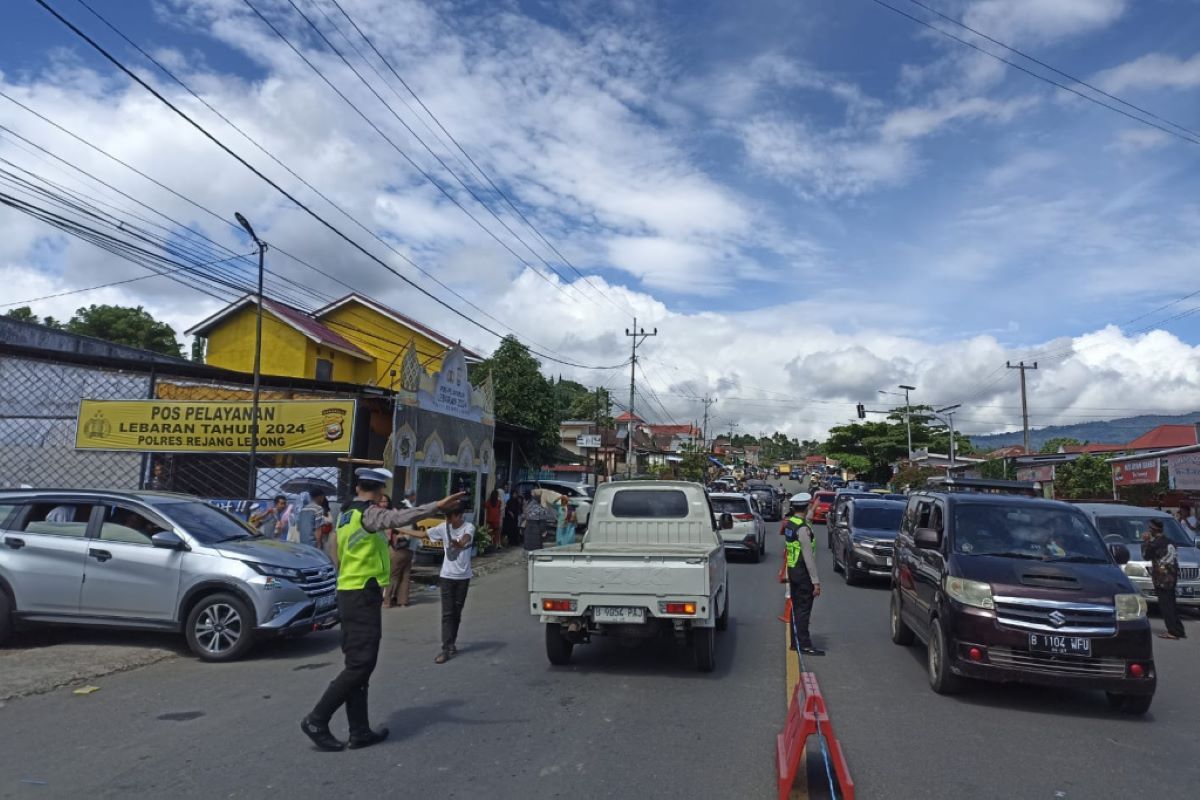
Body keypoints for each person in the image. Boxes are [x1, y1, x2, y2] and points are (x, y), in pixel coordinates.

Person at [300, 468, 464, 752]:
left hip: (350, 590)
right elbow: (398, 518)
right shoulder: (368, 514)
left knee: (359, 662)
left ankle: (359, 730)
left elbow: (335, 550)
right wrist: (437, 506)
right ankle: (317, 718)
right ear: (377, 491)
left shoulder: (346, 512)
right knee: (360, 664)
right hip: (361, 593)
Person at [427, 506, 475, 664]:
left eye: (450, 517)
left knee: (457, 611)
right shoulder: (443, 527)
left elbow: (466, 538)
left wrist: (459, 542)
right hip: (447, 576)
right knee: (447, 613)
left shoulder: (469, 527)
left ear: (459, 515)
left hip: (463, 577)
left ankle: (451, 642)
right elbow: (424, 534)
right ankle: (446, 648)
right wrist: (403, 530)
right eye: (446, 517)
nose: (448, 520)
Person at [782, 495, 824, 656]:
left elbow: (806, 519)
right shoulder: (803, 529)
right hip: (803, 573)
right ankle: (805, 644)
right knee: (803, 610)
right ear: (805, 507)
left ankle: (795, 642)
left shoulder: (792, 524)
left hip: (793, 571)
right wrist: (816, 582)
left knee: (796, 608)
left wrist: (813, 509)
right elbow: (808, 557)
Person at [1142, 519, 1186, 640]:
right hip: (1172, 576)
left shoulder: (1155, 543)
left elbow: (1146, 555)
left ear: (1153, 530)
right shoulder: (1170, 541)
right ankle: (1179, 629)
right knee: (1172, 604)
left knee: (1166, 606)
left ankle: (1173, 631)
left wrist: (1146, 542)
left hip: (1162, 578)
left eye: (1150, 528)